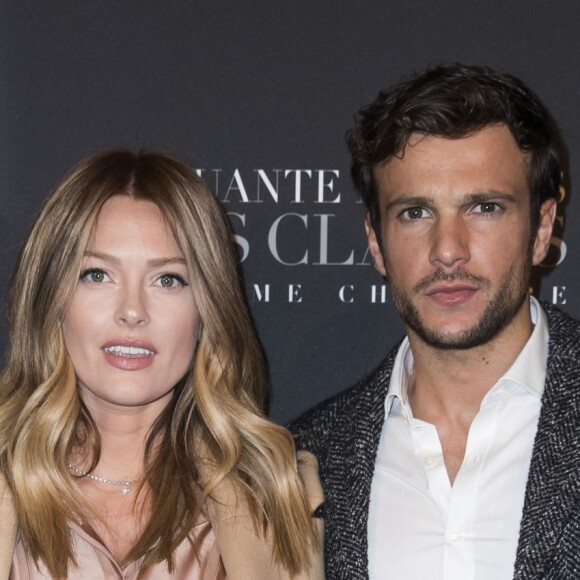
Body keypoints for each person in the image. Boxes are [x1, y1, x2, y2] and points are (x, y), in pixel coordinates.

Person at [291, 64, 580, 579]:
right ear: (376, 242)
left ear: (542, 229)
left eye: (484, 208)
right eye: (415, 213)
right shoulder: (306, 459)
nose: (448, 250)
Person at [0, 150, 324, 579]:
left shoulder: (279, 498)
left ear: (208, 310)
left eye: (167, 279)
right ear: (52, 299)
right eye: (97, 274)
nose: (132, 310)